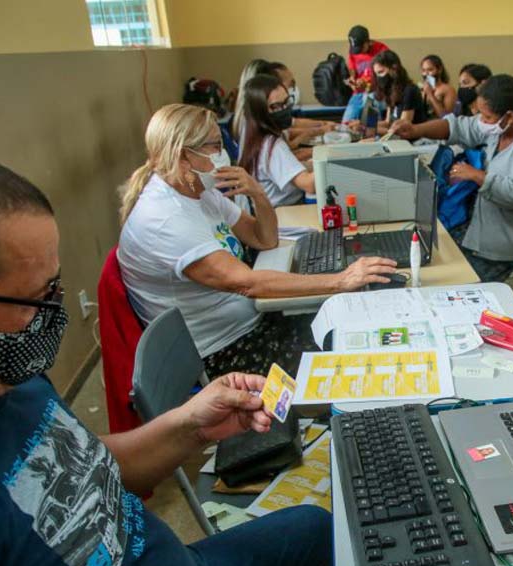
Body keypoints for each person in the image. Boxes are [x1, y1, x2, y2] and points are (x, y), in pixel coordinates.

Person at [0, 148, 334, 566]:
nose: (50, 315)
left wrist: (192, 424)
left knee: (315, 533)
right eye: (28, 300)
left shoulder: (5, 377)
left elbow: (85, 465)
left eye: (53, 289)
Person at [117, 104, 396, 379]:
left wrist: (258, 194)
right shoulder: (166, 219)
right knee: (352, 354)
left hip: (253, 324)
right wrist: (340, 280)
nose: (223, 153)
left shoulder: (198, 190)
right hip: (226, 354)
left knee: (349, 323)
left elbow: (265, 239)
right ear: (183, 156)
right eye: (214, 146)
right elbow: (246, 283)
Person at [391, 75, 513, 282]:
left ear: (510, 116)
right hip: (478, 221)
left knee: (448, 283)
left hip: (504, 240)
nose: (481, 120)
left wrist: (477, 175)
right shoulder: (501, 125)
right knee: (429, 255)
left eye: (486, 117)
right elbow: (460, 127)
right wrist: (416, 130)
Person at [238, 74, 315, 207]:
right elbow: (309, 184)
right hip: (284, 214)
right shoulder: (272, 146)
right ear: (260, 112)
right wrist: (337, 162)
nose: (284, 110)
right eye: (276, 106)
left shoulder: (257, 135)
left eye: (286, 102)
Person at [371, 50, 429, 133]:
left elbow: (402, 130)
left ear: (394, 68)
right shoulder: (390, 89)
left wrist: (373, 130)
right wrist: (364, 126)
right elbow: (387, 122)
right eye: (376, 74)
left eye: (381, 72)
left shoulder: (409, 90)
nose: (378, 77)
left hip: (413, 141)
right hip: (395, 136)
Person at [343, 25, 389, 122]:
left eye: (361, 48)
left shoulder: (382, 50)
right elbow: (353, 70)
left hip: (377, 92)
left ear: (368, 42)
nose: (359, 52)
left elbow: (387, 76)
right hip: (358, 93)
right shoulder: (354, 51)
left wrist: (368, 84)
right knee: (347, 122)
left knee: (368, 111)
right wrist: (352, 80)